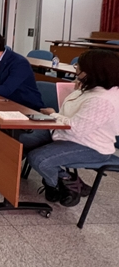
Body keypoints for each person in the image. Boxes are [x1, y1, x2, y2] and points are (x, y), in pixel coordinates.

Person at [19, 50, 119, 207]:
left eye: (79, 67)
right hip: (64, 133)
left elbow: (76, 129)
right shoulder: (91, 88)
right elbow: (70, 112)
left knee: (39, 159)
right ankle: (66, 180)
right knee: (22, 139)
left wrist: (53, 115)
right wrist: (78, 89)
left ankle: (62, 183)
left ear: (93, 72)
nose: (76, 69)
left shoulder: (103, 100)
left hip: (90, 146)